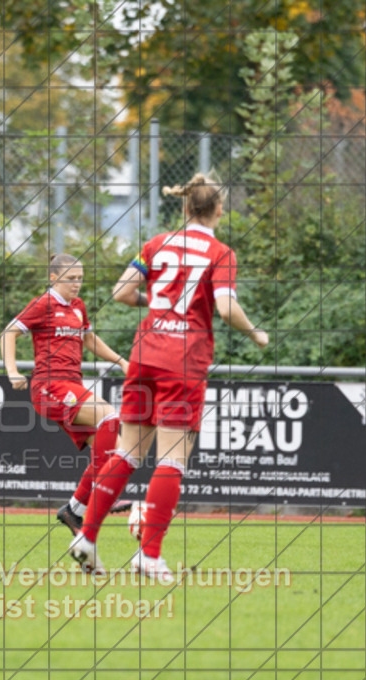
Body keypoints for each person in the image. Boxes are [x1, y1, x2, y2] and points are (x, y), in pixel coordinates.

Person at [68, 174, 269, 579]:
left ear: (183, 207)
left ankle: (87, 536)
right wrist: (254, 332)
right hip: (183, 361)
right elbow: (227, 309)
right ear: (218, 209)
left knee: (127, 453)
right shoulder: (220, 252)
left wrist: (160, 303)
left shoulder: (156, 244)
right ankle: (149, 555)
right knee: (173, 459)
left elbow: (122, 292)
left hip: (145, 356)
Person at [0, 254, 131, 537]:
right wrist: (12, 372)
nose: (76, 284)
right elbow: (9, 332)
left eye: (80, 278)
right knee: (109, 414)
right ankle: (102, 497)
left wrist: (120, 360)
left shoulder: (78, 307)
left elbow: (89, 339)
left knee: (117, 452)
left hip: (73, 387)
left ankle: (73, 510)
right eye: (70, 278)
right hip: (49, 387)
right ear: (53, 278)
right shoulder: (43, 304)